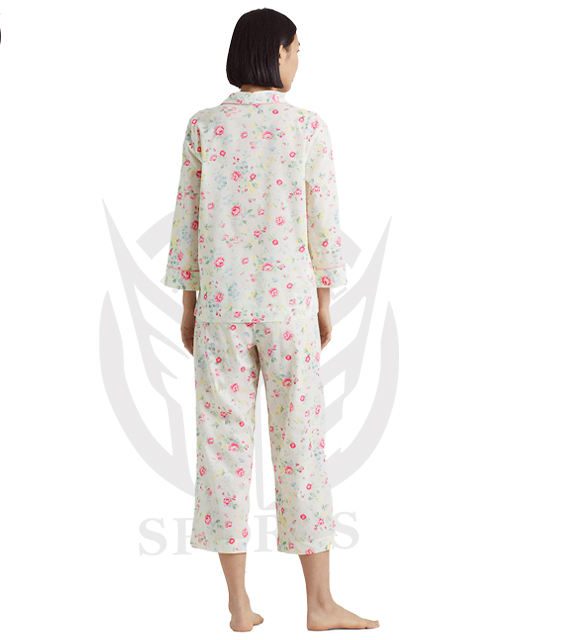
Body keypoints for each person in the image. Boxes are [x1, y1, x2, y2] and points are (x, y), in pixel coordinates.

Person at [161, 7, 379, 633]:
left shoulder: (204, 127)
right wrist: (324, 301)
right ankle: (320, 604)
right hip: (287, 309)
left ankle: (238, 605)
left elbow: (187, 220)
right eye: (297, 49)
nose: (299, 60)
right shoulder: (306, 128)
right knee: (301, 447)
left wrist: (189, 305)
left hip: (221, 311)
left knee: (221, 449)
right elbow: (323, 220)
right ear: (276, 53)